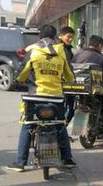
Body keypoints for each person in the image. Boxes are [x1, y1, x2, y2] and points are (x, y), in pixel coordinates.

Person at [5, 24, 76, 172]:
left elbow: (22, 74)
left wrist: (19, 81)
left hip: (35, 97)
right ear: (55, 36)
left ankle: (20, 162)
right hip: (56, 98)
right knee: (60, 125)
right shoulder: (61, 51)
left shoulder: (33, 50)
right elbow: (70, 76)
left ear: (40, 36)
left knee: (28, 125)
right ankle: (68, 159)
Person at [58, 26, 76, 127]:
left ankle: (63, 128)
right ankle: (60, 129)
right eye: (68, 37)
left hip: (69, 83)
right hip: (60, 84)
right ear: (61, 36)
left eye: (72, 37)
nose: (70, 39)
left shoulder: (69, 49)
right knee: (62, 108)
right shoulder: (58, 49)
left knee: (72, 109)